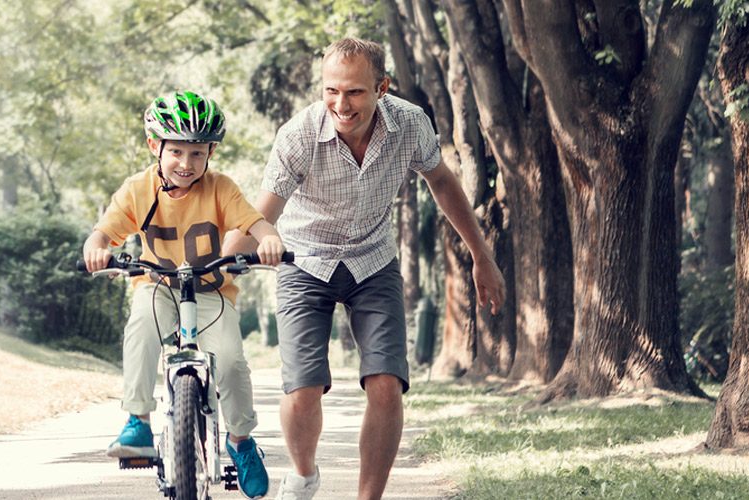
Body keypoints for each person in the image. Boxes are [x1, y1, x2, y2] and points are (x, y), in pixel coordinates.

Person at [224, 38, 506, 500]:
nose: (341, 103)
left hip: (373, 260)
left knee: (386, 383)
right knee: (303, 387)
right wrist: (209, 271)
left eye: (354, 92)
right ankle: (304, 471)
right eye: (331, 90)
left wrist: (482, 256)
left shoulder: (410, 124)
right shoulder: (297, 136)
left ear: (382, 87)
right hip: (304, 260)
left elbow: (441, 182)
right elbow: (260, 215)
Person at [82, 90, 284, 500]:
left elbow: (254, 222)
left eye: (197, 153)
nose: (186, 164)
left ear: (210, 151)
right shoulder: (138, 189)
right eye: (176, 152)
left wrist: (270, 240)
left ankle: (242, 443)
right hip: (157, 286)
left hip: (210, 290)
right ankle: (137, 420)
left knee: (229, 361)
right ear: (154, 146)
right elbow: (106, 231)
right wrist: (97, 247)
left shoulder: (220, 188)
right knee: (141, 328)